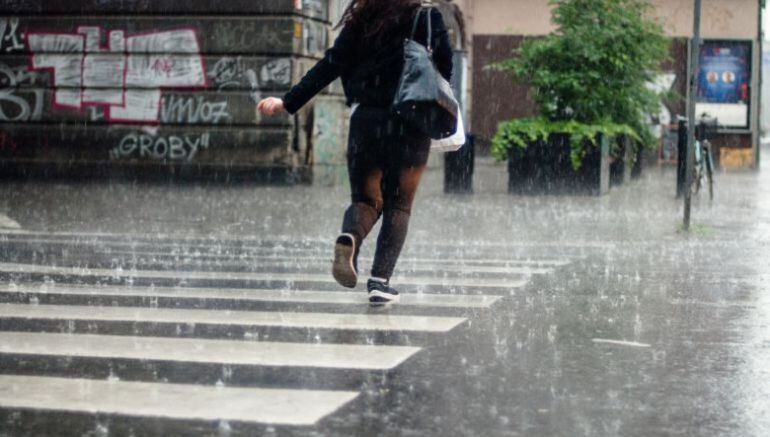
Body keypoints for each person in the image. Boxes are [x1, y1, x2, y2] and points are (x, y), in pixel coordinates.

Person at [257, 0, 453, 303]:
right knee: (399, 204)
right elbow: (445, 67)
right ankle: (379, 281)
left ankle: (351, 237)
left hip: (366, 121)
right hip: (411, 122)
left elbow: (331, 64)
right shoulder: (427, 16)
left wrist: (288, 101)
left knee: (366, 199)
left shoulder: (363, 17)